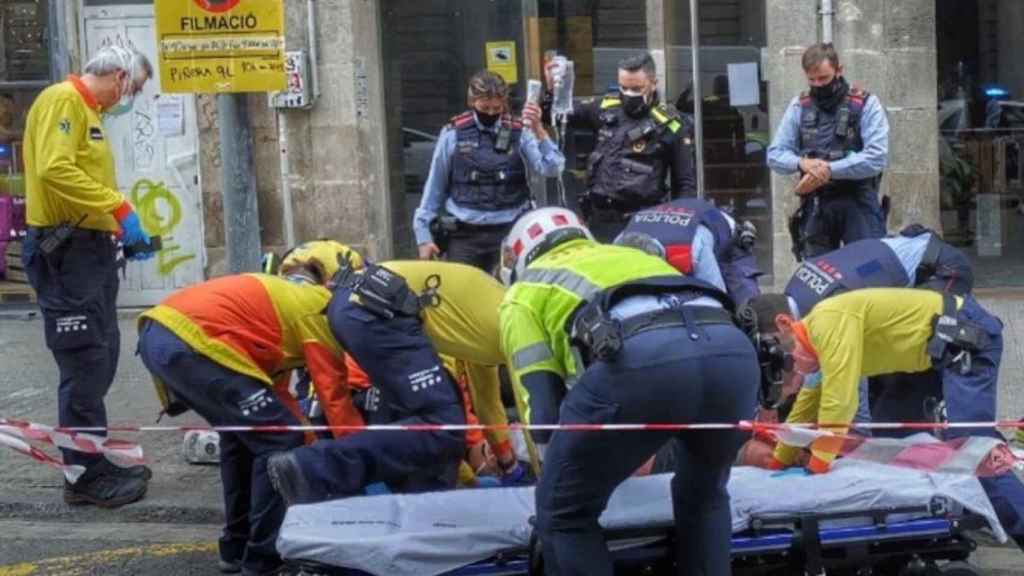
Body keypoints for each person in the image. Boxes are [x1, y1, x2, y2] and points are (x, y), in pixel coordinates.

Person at [499, 207, 758, 575]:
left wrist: (556, 476)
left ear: (519, 254)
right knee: (704, 494)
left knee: (564, 513)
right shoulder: (632, 255)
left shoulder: (523, 293)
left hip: (643, 360)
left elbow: (541, 405)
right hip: (732, 351)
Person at [745, 288, 1024, 550]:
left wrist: (818, 467)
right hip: (932, 353)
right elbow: (806, 407)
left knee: (974, 450)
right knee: (891, 435)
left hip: (964, 336)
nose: (787, 366)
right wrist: (780, 459)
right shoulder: (817, 342)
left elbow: (839, 402)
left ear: (785, 324)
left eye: (783, 356)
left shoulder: (827, 322)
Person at [137, 272, 358, 576]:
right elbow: (334, 398)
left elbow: (279, 397)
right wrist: (361, 460)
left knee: (243, 438)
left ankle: (236, 549)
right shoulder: (322, 316)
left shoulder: (287, 315)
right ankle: (264, 561)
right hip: (194, 340)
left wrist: (305, 432)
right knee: (279, 441)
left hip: (162, 333)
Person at [267, 257, 534, 505]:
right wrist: (544, 482)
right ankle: (311, 468)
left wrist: (509, 464)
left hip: (365, 306)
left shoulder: (486, 329)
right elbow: (531, 406)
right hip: (375, 308)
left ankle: (421, 508)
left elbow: (487, 402)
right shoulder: (516, 321)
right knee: (444, 422)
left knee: (441, 418)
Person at [21, 45, 155, 508]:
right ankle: (82, 478)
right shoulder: (64, 100)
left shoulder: (88, 111)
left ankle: (92, 459)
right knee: (83, 361)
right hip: (66, 253)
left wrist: (117, 225)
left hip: (88, 250)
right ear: (119, 76)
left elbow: (78, 179)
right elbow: (55, 169)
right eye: (133, 88)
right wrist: (116, 207)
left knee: (100, 356)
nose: (129, 97)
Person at [413, 70, 564, 272]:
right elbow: (435, 187)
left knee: (509, 296)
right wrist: (423, 236)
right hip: (465, 235)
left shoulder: (520, 131)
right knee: (464, 297)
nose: (491, 113)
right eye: (485, 107)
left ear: (504, 104)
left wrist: (539, 129)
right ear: (472, 101)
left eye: (497, 108)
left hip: (510, 232)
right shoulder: (453, 133)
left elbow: (552, 169)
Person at [543, 52, 695, 241]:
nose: (630, 94)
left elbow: (685, 185)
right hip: (599, 222)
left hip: (643, 225)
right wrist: (551, 90)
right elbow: (555, 116)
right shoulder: (605, 108)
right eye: (624, 87)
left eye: (637, 88)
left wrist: (678, 233)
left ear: (653, 83)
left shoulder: (671, 125)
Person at [768, 43, 888, 260]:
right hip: (817, 204)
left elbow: (876, 157)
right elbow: (775, 154)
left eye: (823, 78)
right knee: (818, 281)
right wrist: (801, 164)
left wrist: (828, 170)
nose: (818, 85)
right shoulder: (800, 105)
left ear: (839, 70)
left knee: (869, 273)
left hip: (858, 201)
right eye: (812, 80)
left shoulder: (866, 103)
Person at [613, 197, 762, 306]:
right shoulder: (619, 243)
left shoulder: (694, 248)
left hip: (725, 236)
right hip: (680, 217)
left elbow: (717, 298)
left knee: (747, 306)